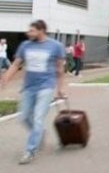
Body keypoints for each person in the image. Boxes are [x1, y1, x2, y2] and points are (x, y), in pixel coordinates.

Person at [0, 20, 66, 165]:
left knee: (37, 118)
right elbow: (16, 64)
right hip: (29, 87)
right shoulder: (25, 45)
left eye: (32, 30)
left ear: (41, 30)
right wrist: (5, 78)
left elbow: (60, 69)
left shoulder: (55, 46)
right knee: (23, 117)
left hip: (46, 86)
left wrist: (60, 88)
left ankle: (30, 151)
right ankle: (39, 132)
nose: (28, 33)